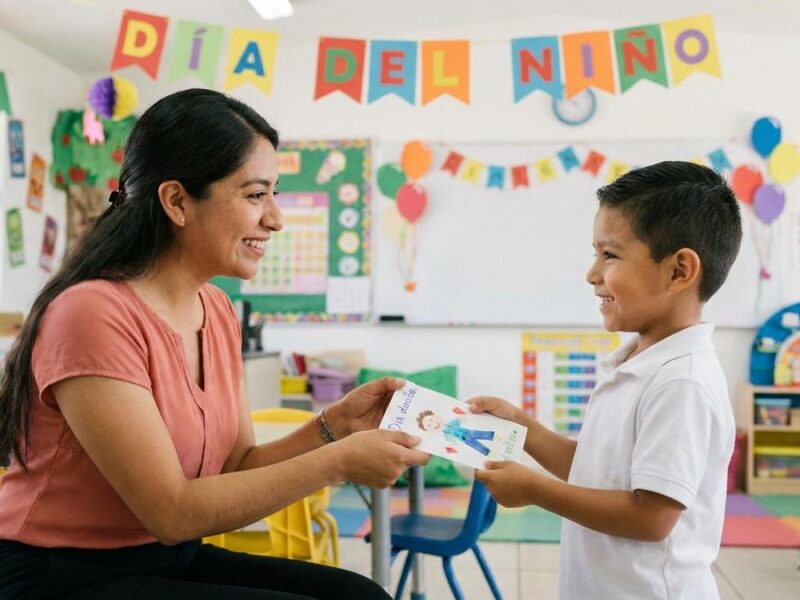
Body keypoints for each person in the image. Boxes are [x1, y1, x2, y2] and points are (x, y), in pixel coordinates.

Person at [0, 88, 429, 599]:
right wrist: (338, 462)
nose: (276, 218)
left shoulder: (218, 310)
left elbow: (236, 467)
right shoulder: (90, 313)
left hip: (165, 558)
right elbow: (172, 511)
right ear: (177, 201)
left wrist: (332, 428)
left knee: (360, 596)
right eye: (255, 195)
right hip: (59, 574)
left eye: (274, 194)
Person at [471, 161, 742, 599]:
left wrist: (536, 490)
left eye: (609, 255)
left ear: (678, 272)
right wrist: (523, 428)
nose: (592, 273)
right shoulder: (637, 363)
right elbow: (600, 470)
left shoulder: (681, 383)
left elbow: (650, 516)